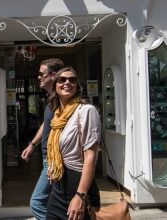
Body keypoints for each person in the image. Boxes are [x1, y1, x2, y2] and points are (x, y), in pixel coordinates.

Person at [45, 67, 101, 220]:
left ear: (77, 86)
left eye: (72, 80)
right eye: (62, 80)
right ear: (55, 86)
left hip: (77, 185)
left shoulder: (86, 111)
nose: (67, 82)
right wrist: (53, 165)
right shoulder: (57, 115)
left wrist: (80, 196)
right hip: (58, 186)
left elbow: (91, 157)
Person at [20, 58, 64, 220]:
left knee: (37, 202)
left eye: (41, 74)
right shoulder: (51, 99)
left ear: (52, 75)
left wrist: (57, 160)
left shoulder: (61, 99)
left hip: (55, 160)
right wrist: (32, 145)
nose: (39, 77)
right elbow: (46, 125)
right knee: (53, 202)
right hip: (49, 158)